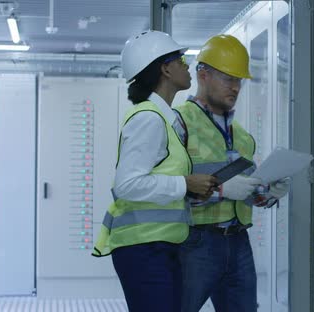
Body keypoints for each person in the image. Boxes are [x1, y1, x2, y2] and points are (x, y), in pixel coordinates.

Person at [91, 30, 217, 312]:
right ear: (165, 68)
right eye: (180, 59)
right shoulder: (149, 118)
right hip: (144, 250)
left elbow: (157, 180)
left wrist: (192, 191)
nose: (187, 65)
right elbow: (127, 184)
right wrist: (185, 184)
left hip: (158, 247)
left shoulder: (164, 117)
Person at [175, 34, 291, 312]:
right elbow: (168, 188)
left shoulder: (242, 136)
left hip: (239, 242)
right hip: (195, 242)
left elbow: (248, 192)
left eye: (239, 80)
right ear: (203, 75)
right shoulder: (178, 123)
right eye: (228, 79)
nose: (236, 87)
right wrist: (222, 191)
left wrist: (266, 193)